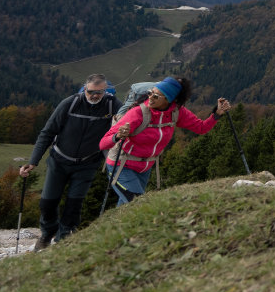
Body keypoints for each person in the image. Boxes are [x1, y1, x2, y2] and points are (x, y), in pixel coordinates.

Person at [98, 77, 230, 206]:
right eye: (150, 93)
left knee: (126, 206)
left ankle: (115, 227)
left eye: (156, 96)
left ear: (169, 99)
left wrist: (217, 113)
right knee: (138, 203)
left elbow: (201, 128)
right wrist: (117, 136)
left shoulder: (177, 113)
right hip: (121, 165)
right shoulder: (137, 113)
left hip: (145, 168)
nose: (150, 97)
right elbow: (103, 143)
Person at [21, 75, 118, 248]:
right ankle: (48, 232)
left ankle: (63, 239)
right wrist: (33, 161)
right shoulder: (70, 103)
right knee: (47, 202)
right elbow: (47, 132)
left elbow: (132, 116)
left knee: (74, 204)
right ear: (84, 89)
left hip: (87, 163)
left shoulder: (112, 105)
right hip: (59, 161)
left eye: (100, 92)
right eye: (91, 92)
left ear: (106, 90)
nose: (95, 95)